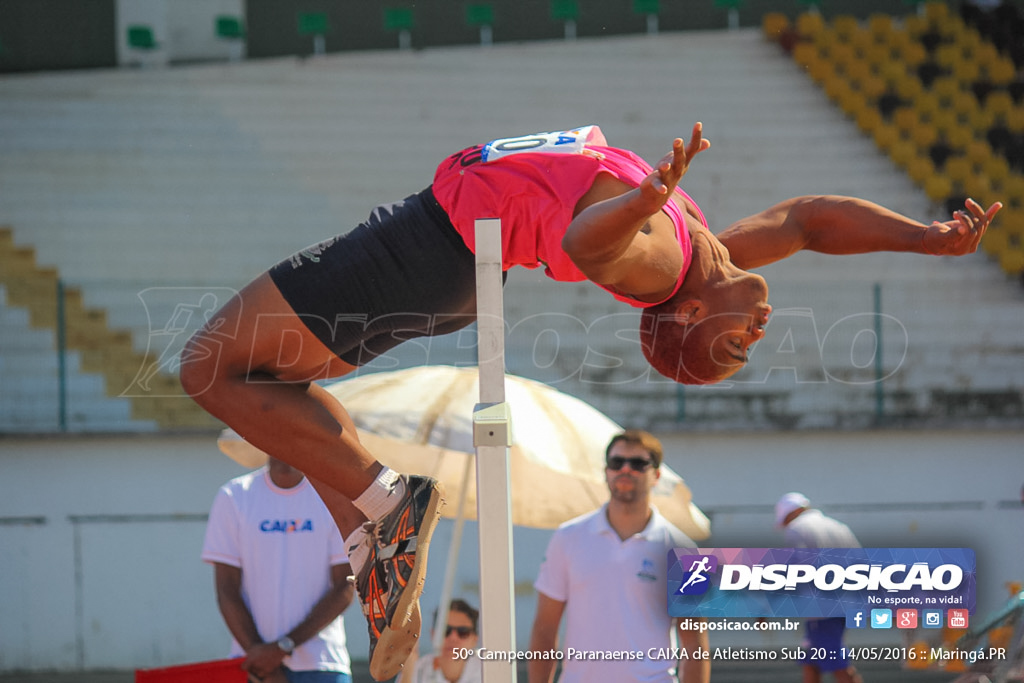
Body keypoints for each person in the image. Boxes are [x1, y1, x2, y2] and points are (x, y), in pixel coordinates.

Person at [179, 122, 1000, 679]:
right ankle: (371, 525)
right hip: (457, 261)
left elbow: (581, 242)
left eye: (734, 344)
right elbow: (812, 220)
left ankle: (381, 510)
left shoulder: (657, 260)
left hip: (435, 241)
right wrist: (926, 238)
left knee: (209, 364)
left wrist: (640, 202)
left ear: (682, 315)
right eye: (747, 344)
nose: (759, 328)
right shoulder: (705, 245)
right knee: (271, 381)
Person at [528, 430, 710, 683]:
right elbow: (545, 629)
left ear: (656, 475)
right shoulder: (567, 537)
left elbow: (694, 643)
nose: (625, 469)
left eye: (637, 464)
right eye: (617, 463)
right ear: (606, 471)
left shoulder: (682, 549)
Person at [201, 456, 356, 683]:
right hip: (253, 666)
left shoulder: (333, 497)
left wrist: (281, 648)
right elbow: (226, 589)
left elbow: (346, 585)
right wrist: (262, 659)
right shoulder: (234, 496)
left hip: (322, 664)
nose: (285, 442)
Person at [775, 492, 864, 683]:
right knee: (811, 662)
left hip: (822, 608)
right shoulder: (839, 527)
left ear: (792, 513)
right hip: (847, 603)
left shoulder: (797, 529)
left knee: (838, 665)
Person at [398, 599, 482, 683]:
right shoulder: (417, 670)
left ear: (475, 639)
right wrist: (407, 673)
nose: (453, 638)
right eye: (445, 630)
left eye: (463, 632)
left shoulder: (486, 671)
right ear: (433, 634)